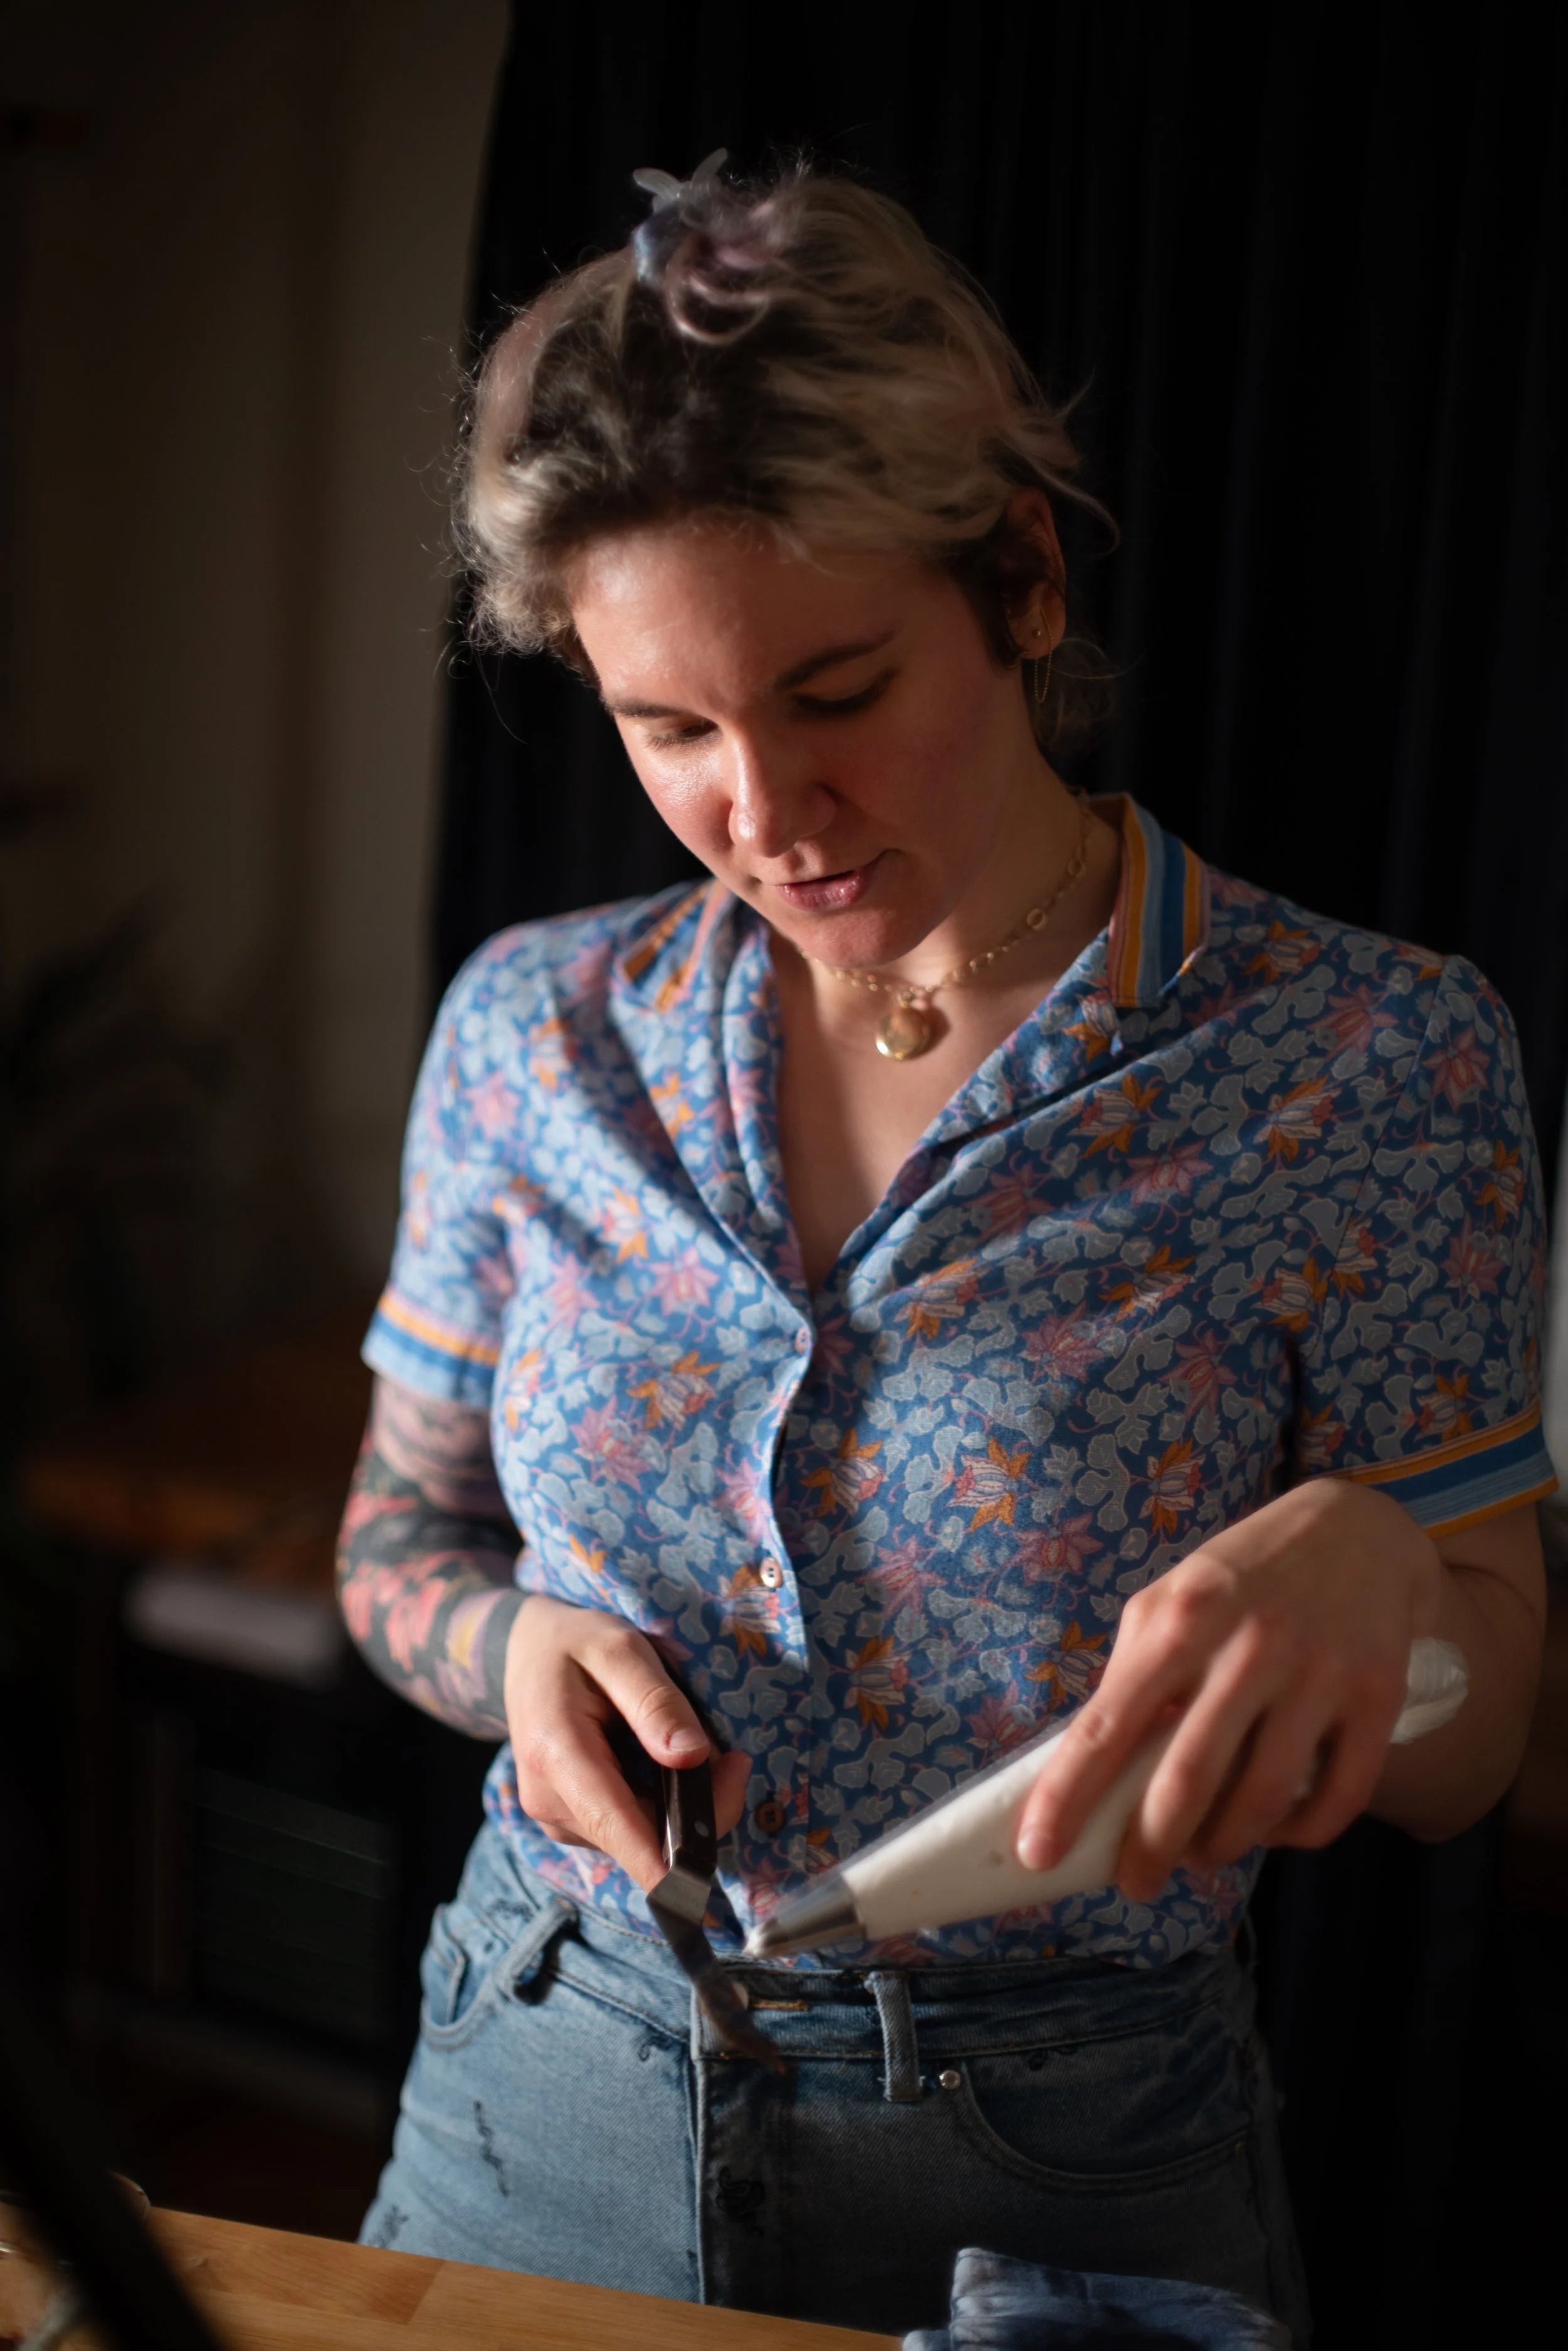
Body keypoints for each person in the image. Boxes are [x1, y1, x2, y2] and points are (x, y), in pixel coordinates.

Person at [336, 158, 1552, 2343]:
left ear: (1020, 579)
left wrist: (1387, 1569)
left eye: (835, 688)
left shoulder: (1361, 1058)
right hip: (535, 2075)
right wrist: (511, 1647)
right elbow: (390, 1544)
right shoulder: (533, 1026)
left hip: (1070, 2152)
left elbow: (1472, 1741)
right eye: (669, 727)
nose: (765, 811)